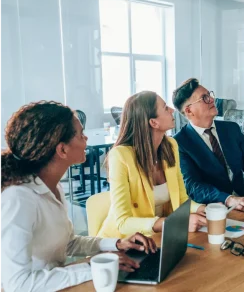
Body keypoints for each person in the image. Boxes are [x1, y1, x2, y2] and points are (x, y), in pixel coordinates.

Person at [0, 101, 156, 291]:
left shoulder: (52, 186)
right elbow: (18, 285)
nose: (86, 138)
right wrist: (91, 268)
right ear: (62, 150)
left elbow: (67, 243)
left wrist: (116, 243)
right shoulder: (18, 199)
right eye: (81, 134)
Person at [98, 91, 206, 238]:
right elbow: (123, 223)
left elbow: (181, 200)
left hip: (156, 239)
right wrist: (173, 223)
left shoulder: (170, 145)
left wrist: (202, 209)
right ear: (153, 122)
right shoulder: (120, 156)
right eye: (165, 108)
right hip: (120, 244)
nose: (172, 110)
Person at [173, 78, 244, 213]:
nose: (212, 100)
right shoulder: (180, 143)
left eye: (209, 95)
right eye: (204, 98)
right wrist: (229, 199)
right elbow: (194, 187)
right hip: (212, 211)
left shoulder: (231, 129)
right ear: (189, 111)